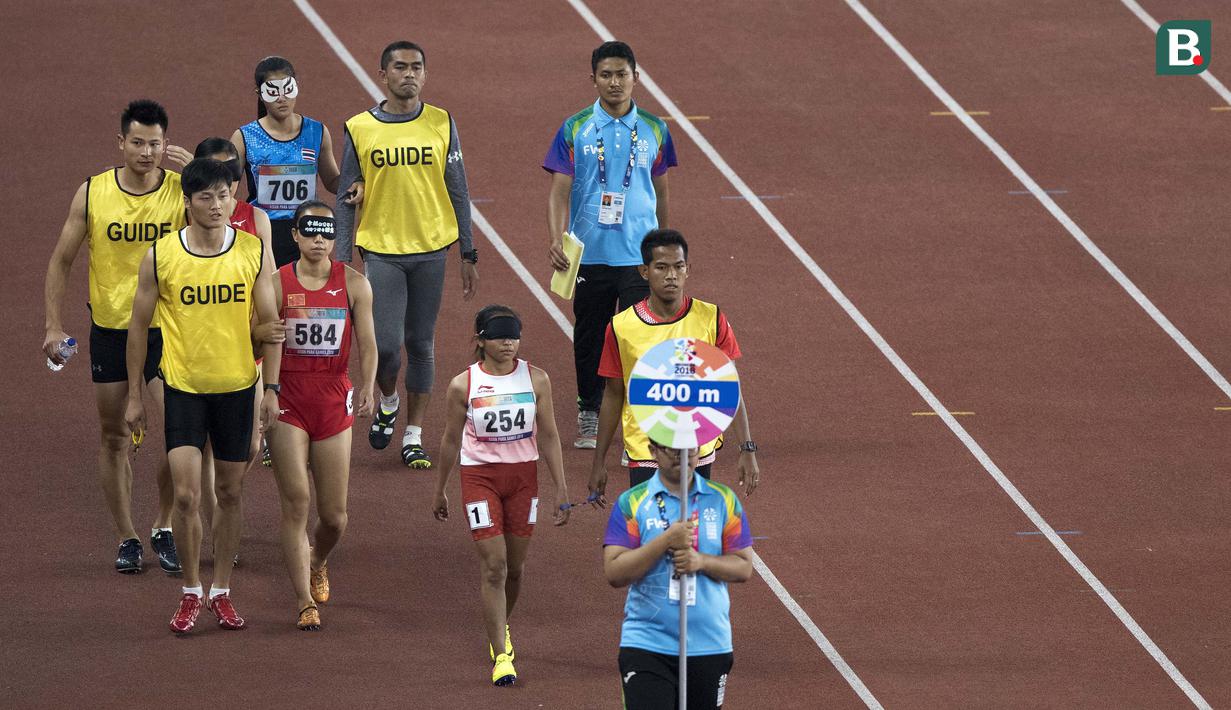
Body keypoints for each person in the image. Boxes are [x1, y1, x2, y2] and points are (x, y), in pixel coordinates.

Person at [124, 158, 282, 634]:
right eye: (206, 197)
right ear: (188, 203)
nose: (218, 205)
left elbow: (271, 327)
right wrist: (135, 394)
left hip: (237, 390)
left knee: (230, 493)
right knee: (189, 497)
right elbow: (137, 326)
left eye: (225, 195)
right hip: (184, 390)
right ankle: (191, 590)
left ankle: (223, 590)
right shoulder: (161, 255)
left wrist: (271, 389)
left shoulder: (252, 251)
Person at [42, 99, 183, 575]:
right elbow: (62, 260)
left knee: (181, 437)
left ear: (167, 144)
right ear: (121, 142)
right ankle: (127, 536)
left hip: (169, 330)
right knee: (113, 436)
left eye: (156, 143)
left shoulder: (183, 193)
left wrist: (202, 169)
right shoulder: (93, 192)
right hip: (111, 330)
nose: (147, 152)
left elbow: (229, 226)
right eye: (138, 142)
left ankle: (163, 523)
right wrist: (53, 326)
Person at [336, 40, 479, 470]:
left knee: (421, 343)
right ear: (383, 75)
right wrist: (342, 261)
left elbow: (458, 186)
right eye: (400, 67)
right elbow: (345, 195)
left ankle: (413, 435)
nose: (409, 74)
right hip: (381, 250)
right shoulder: (360, 127)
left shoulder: (441, 122)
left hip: (432, 249)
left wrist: (468, 250)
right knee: (386, 345)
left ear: (425, 74)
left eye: (417, 67)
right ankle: (389, 398)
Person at [543, 40, 678, 449]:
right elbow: (558, 192)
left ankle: (638, 426)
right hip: (589, 254)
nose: (615, 82)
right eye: (606, 75)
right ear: (594, 79)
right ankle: (589, 409)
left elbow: (662, 192)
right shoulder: (574, 127)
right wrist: (556, 238)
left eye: (622, 74)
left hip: (639, 258)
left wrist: (666, 250)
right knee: (590, 335)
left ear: (636, 78)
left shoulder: (656, 129)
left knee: (641, 339)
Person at [431, 305, 569, 686]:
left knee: (516, 568)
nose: (508, 343)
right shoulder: (464, 385)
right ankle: (501, 654)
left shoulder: (536, 379)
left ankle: (500, 625)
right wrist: (440, 488)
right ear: (480, 340)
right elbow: (449, 439)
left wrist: (560, 487)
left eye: (514, 336)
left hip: (523, 479)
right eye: (499, 336)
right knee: (495, 566)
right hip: (480, 478)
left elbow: (551, 435)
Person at [267, 200, 376, 631]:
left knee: (334, 516)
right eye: (309, 230)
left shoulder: (354, 284)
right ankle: (302, 602)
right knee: (297, 502)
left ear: (335, 237)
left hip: (333, 396)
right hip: (290, 396)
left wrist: (368, 385)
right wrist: (268, 392)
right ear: (294, 234)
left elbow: (368, 342)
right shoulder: (277, 283)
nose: (318, 239)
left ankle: (318, 559)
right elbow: (260, 339)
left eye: (326, 232)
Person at [588, 230, 760, 500]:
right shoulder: (621, 327)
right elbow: (613, 393)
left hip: (697, 446)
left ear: (688, 269)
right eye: (661, 267)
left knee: (692, 532)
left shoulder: (711, 318)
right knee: (651, 532)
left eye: (678, 267)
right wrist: (598, 463)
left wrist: (747, 448)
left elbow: (729, 385)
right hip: (646, 448)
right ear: (644, 272)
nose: (671, 275)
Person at [602, 444, 754, 709]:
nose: (683, 457)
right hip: (647, 644)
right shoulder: (632, 502)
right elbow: (614, 572)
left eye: (690, 450)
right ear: (653, 450)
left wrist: (701, 561)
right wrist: (665, 541)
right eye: (673, 450)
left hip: (709, 644)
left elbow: (743, 567)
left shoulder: (723, 500)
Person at [232, 56, 348, 267]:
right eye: (272, 91)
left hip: (308, 230)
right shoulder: (244, 137)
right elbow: (227, 190)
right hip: (263, 231)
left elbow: (332, 182)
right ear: (259, 94)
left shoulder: (317, 131)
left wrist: (359, 179)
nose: (281, 98)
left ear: (296, 87)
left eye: (287, 89)